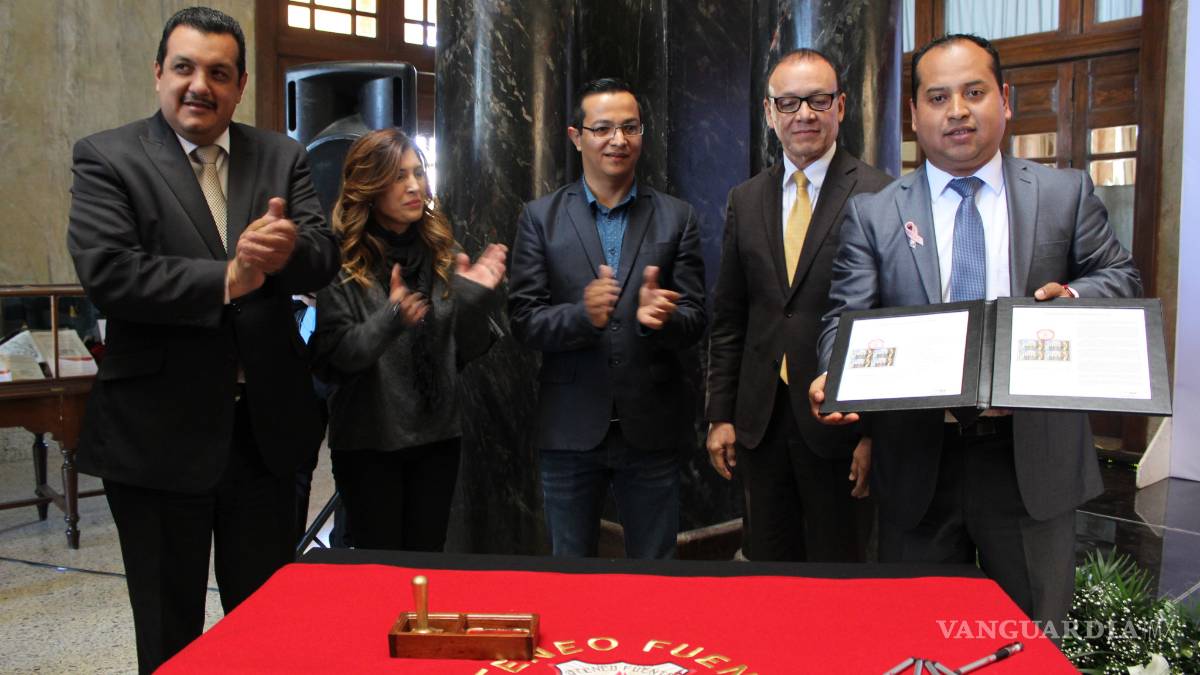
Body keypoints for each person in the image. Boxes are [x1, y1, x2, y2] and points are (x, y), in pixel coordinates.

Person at [808, 34, 1140, 630]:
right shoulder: (876, 213)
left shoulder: (1063, 194)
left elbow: (1120, 277)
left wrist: (1072, 299)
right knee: (920, 636)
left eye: (974, 92)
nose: (957, 111)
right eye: (938, 97)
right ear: (914, 115)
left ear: (1005, 100)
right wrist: (837, 373)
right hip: (918, 458)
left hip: (1029, 456)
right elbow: (845, 316)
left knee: (1035, 636)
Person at [65, 7, 339, 672]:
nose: (200, 86)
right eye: (184, 68)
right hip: (157, 437)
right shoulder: (108, 157)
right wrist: (229, 277)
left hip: (265, 437)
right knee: (170, 633)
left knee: (266, 629)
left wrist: (287, 251)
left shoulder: (281, 155)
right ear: (158, 73)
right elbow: (111, 274)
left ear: (240, 85)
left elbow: (324, 255)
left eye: (219, 73)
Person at [706, 49, 892, 562]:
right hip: (761, 422)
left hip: (841, 424)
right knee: (766, 567)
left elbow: (888, 323)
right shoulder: (745, 199)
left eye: (818, 100)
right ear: (770, 113)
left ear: (841, 106)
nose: (804, 114)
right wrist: (719, 416)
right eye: (788, 103)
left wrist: (875, 435)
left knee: (840, 567)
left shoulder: (880, 194)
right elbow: (730, 318)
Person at [508, 78, 707, 559]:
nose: (618, 140)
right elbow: (524, 320)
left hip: (652, 427)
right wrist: (582, 315)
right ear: (577, 137)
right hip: (570, 429)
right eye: (603, 129)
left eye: (630, 128)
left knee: (656, 572)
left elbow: (697, 317)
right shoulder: (540, 218)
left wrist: (661, 319)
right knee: (571, 571)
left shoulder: (676, 217)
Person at [310, 128, 506, 551]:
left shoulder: (441, 252)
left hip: (437, 438)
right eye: (399, 176)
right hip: (369, 442)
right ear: (369, 186)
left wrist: (473, 302)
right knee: (381, 569)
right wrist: (391, 319)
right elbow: (335, 359)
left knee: (425, 563)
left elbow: (463, 353)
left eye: (418, 173)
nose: (415, 186)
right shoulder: (342, 261)